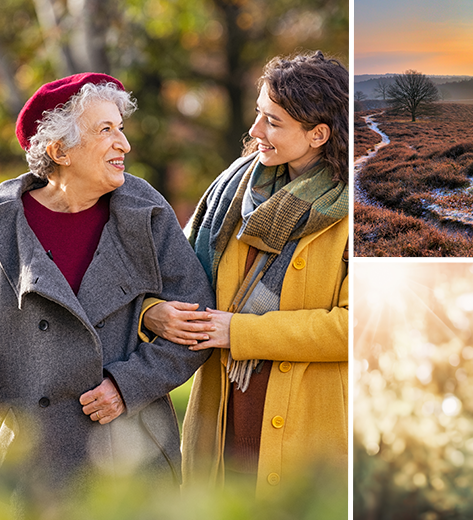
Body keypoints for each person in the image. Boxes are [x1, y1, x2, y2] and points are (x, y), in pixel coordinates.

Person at [1, 73, 214, 509]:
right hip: (35, 459)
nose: (124, 144)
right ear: (59, 150)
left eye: (121, 128)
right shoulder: (4, 223)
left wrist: (127, 384)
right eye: (106, 130)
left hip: (133, 451)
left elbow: (196, 321)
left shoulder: (145, 210)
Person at [142, 50, 349, 499]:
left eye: (272, 122)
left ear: (318, 134)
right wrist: (154, 312)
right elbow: (168, 277)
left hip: (309, 432)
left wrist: (241, 332)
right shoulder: (231, 194)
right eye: (258, 115)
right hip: (222, 416)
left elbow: (357, 326)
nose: (255, 132)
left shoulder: (359, 216)